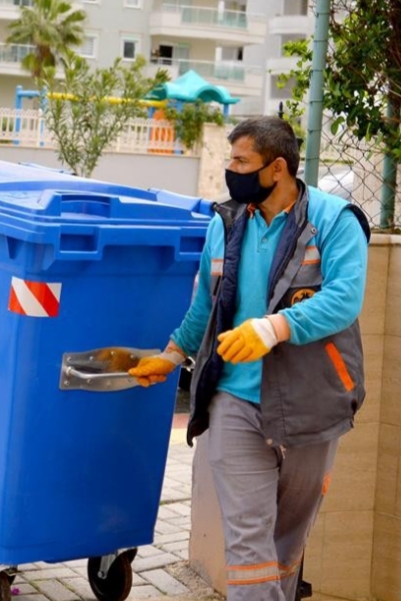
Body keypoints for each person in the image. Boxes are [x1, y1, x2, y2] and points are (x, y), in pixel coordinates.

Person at [128, 116, 370, 601]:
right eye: (229, 159)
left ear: (277, 168)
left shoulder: (333, 220)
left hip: (311, 402)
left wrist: (275, 327)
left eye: (241, 161)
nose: (230, 170)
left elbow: (345, 297)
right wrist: (173, 354)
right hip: (234, 402)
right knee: (247, 543)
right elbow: (206, 305)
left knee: (286, 542)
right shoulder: (225, 224)